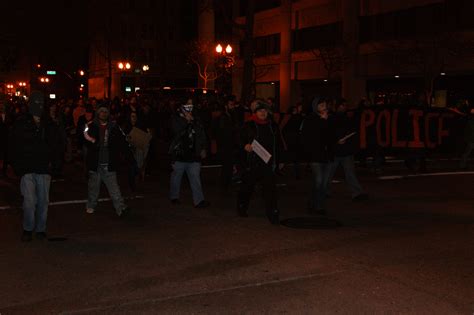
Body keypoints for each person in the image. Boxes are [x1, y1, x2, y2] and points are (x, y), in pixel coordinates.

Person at [9, 91, 62, 241]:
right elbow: (14, 145)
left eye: (40, 103)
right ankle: (28, 228)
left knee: (43, 201)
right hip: (27, 168)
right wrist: (17, 165)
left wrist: (56, 164)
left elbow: (56, 145)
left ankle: (40, 229)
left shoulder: (49, 124)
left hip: (44, 167)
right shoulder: (21, 122)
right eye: (35, 103)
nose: (38, 106)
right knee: (29, 201)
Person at [83, 104, 133, 217]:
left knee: (114, 189)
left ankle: (121, 209)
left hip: (109, 163)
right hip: (95, 163)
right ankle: (91, 205)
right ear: (98, 113)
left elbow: (122, 142)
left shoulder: (114, 127)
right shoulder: (90, 126)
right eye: (101, 111)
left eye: (106, 111)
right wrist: (93, 142)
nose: (104, 113)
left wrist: (129, 156)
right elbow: (84, 139)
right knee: (93, 188)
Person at [237, 101, 281, 225]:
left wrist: (280, 160)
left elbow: (278, 144)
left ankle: (273, 213)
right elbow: (239, 139)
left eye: (265, 111)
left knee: (270, 189)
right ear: (255, 112)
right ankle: (242, 206)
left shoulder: (272, 125)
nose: (263, 113)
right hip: (253, 162)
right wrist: (245, 145)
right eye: (260, 110)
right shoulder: (248, 125)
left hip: (268, 162)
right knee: (247, 187)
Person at [168, 101, 210, 208]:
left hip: (193, 155)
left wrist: (203, 148)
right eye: (187, 106)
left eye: (191, 105)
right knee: (176, 177)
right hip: (179, 155)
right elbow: (175, 131)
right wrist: (186, 120)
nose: (189, 108)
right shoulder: (175, 118)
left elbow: (201, 133)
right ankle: (174, 197)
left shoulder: (196, 118)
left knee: (195, 177)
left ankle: (199, 200)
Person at [326, 99, 368, 201]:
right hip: (336, 151)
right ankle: (324, 191)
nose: (345, 107)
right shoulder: (332, 119)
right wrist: (336, 141)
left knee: (349, 173)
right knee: (329, 174)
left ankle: (357, 193)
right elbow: (327, 134)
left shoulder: (345, 118)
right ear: (339, 106)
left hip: (344, 151)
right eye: (343, 105)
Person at [301, 97, 335, 215]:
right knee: (319, 180)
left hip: (328, 154)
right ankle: (316, 204)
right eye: (321, 105)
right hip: (315, 154)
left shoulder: (330, 119)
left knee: (324, 183)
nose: (324, 107)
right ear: (315, 107)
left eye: (325, 105)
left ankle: (318, 204)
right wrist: (322, 121)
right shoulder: (310, 119)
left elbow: (331, 135)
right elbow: (311, 136)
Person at [217, 98, 238, 191]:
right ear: (226, 106)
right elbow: (223, 131)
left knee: (229, 164)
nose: (232, 106)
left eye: (233, 105)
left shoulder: (231, 115)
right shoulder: (223, 116)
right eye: (231, 105)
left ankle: (227, 183)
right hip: (226, 145)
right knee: (226, 165)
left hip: (230, 144)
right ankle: (224, 184)